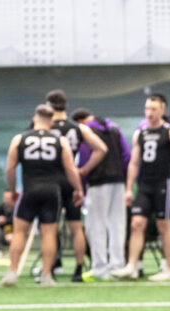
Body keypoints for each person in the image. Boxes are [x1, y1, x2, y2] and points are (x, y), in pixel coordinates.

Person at [112, 94, 170, 280]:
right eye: (147, 109)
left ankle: (169, 269)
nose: (149, 113)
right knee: (136, 224)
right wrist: (129, 188)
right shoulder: (140, 134)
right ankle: (132, 266)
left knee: (163, 225)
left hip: (164, 183)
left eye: (154, 109)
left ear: (162, 110)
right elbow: (134, 162)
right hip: (145, 184)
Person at [1, 105, 84, 286]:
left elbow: (10, 168)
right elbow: (71, 169)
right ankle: (47, 275)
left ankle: (12, 272)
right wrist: (78, 189)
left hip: (29, 190)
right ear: (51, 122)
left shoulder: (19, 139)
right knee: (49, 233)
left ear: (34, 119)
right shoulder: (60, 141)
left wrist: (12, 190)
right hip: (52, 192)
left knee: (19, 232)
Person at [45, 89, 109, 282]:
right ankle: (78, 269)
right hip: (71, 180)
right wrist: (83, 169)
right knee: (76, 227)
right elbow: (101, 148)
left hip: (50, 179)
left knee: (50, 228)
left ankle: (51, 267)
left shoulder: (45, 126)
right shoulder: (78, 128)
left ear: (49, 105)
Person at [72, 108, 131, 281]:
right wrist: (125, 180)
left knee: (96, 226)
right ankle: (118, 266)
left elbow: (84, 156)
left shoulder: (86, 130)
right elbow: (127, 156)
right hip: (118, 181)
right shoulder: (114, 128)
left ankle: (99, 268)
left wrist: (82, 185)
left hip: (97, 182)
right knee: (117, 225)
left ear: (80, 121)